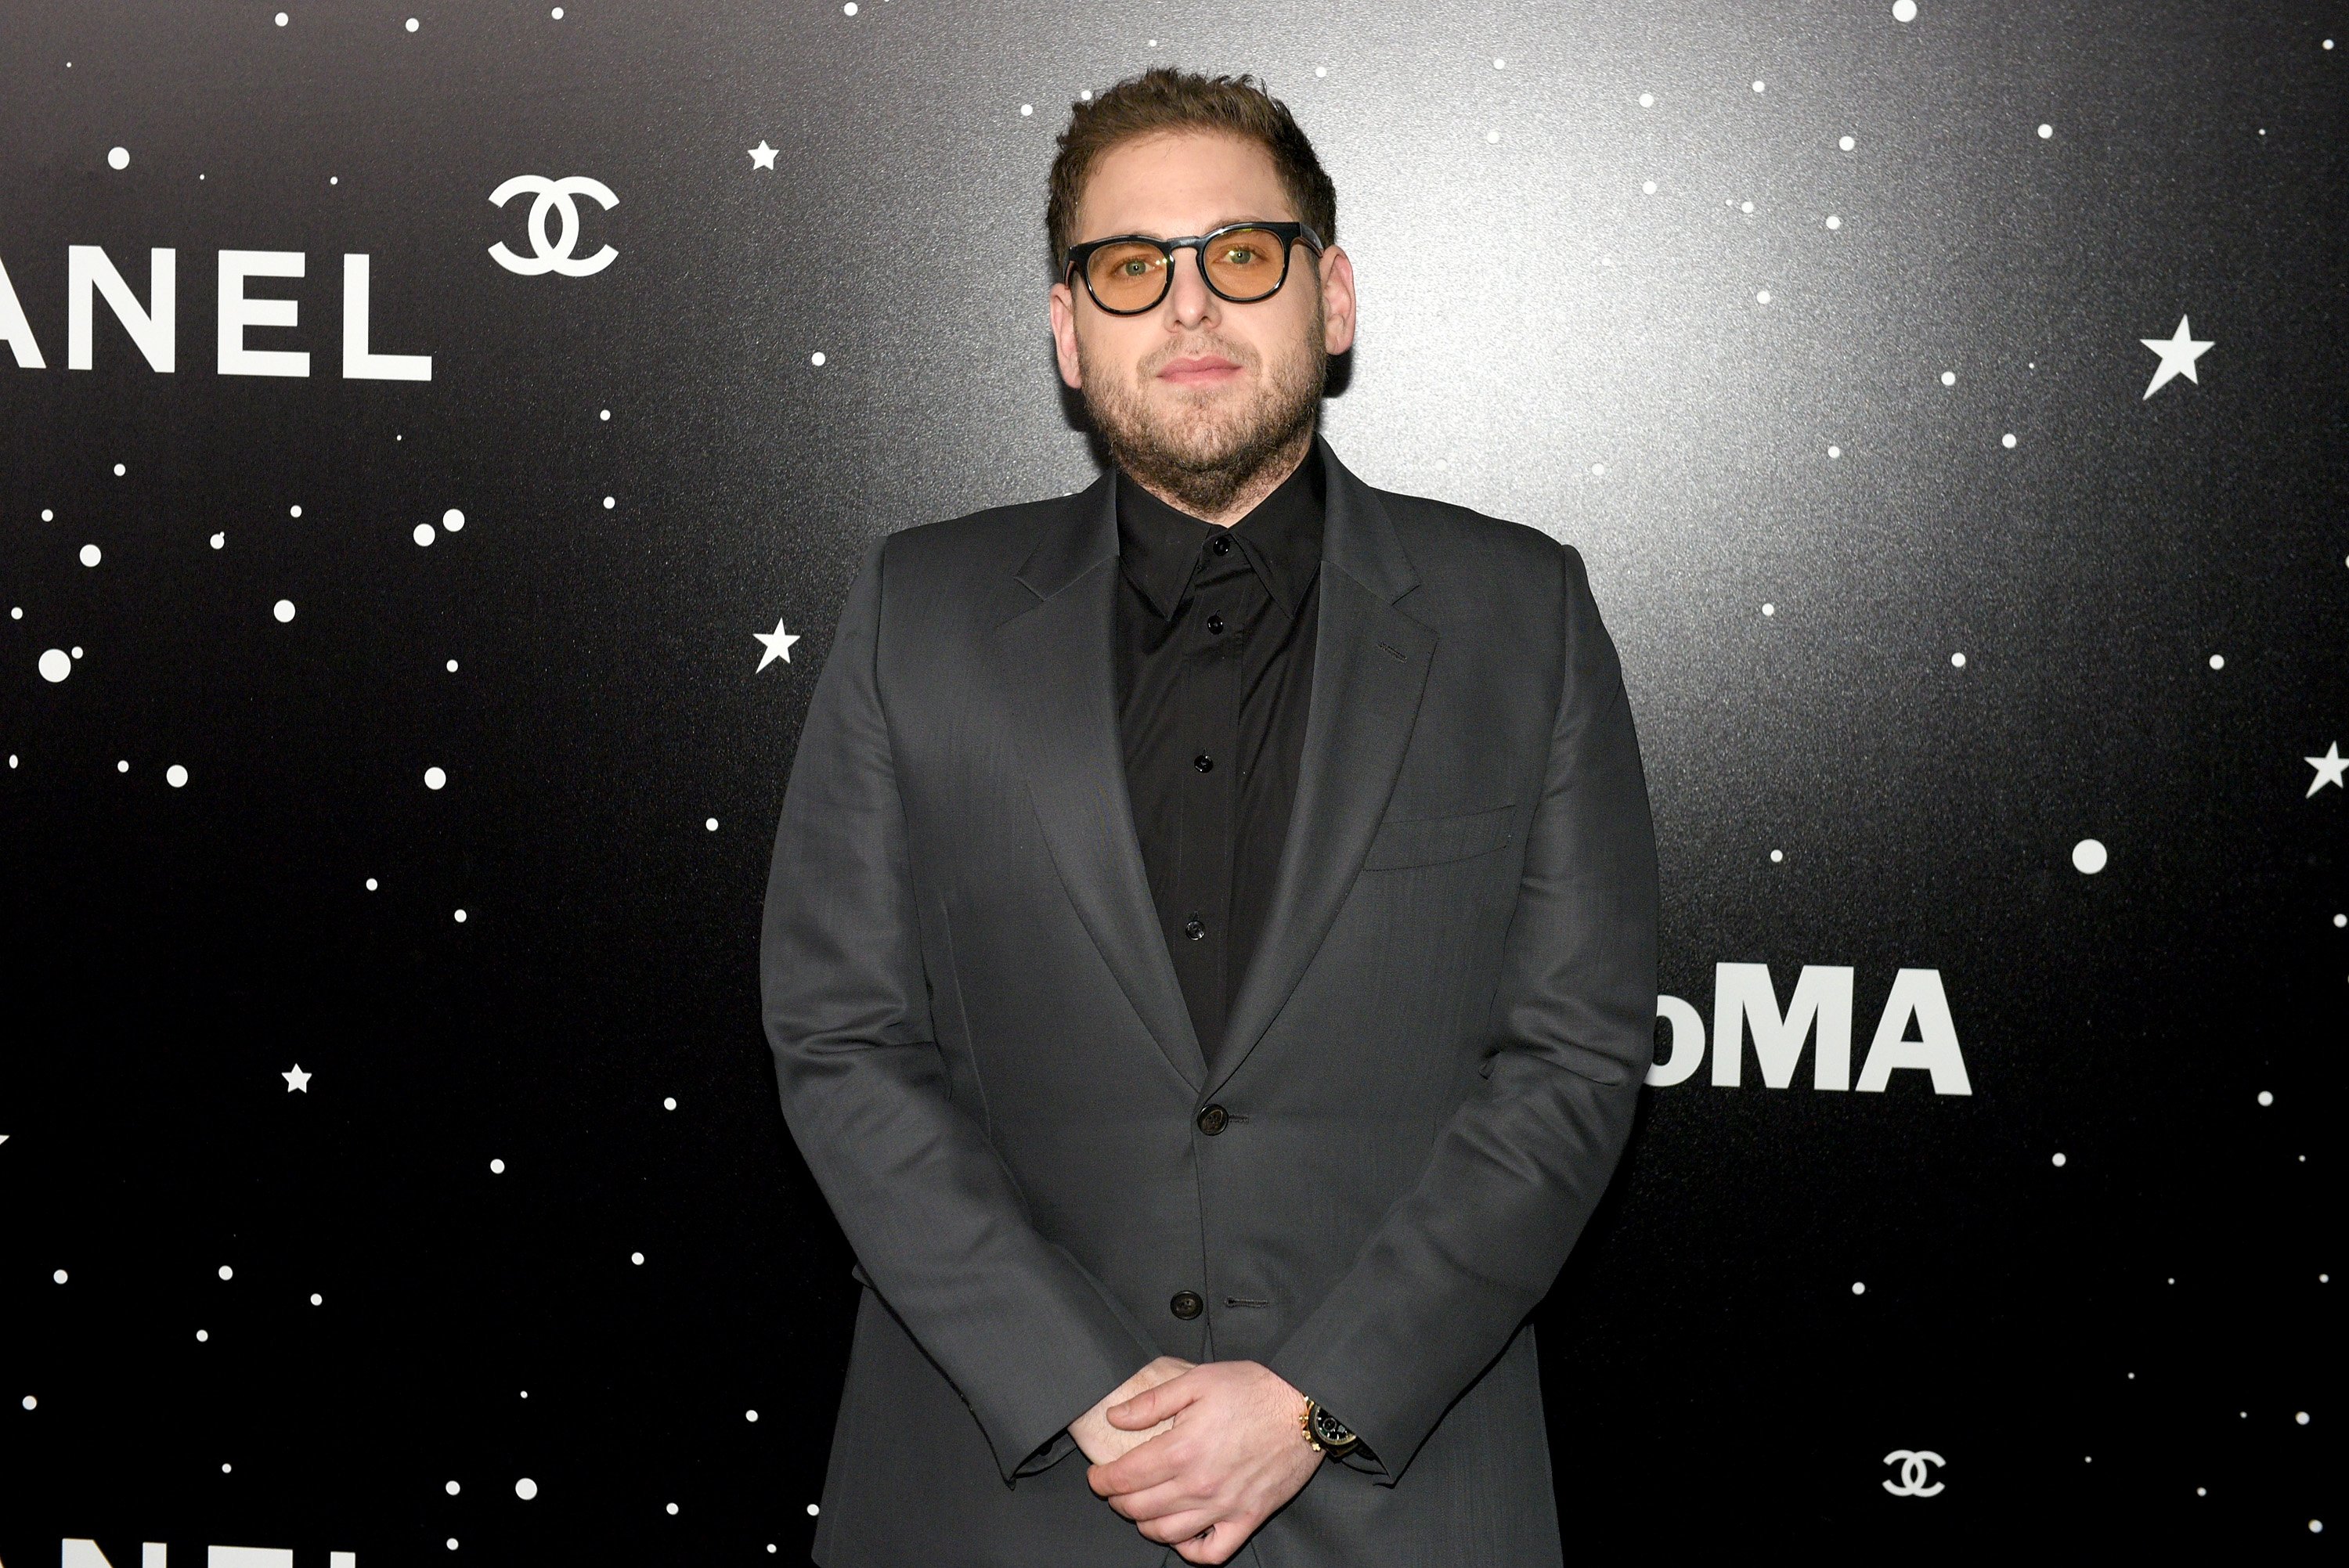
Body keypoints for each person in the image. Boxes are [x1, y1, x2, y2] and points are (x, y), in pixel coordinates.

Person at [760, 64, 1659, 1567]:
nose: (1189, 308)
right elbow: (842, 1037)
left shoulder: (1526, 612)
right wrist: (1083, 1389)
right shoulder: (915, 610)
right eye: (1129, 268)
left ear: (1334, 295)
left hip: (1400, 1482)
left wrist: (1319, 1398)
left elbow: (1571, 1054)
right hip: (1001, 1484)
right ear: (1066, 329)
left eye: (1241, 256)